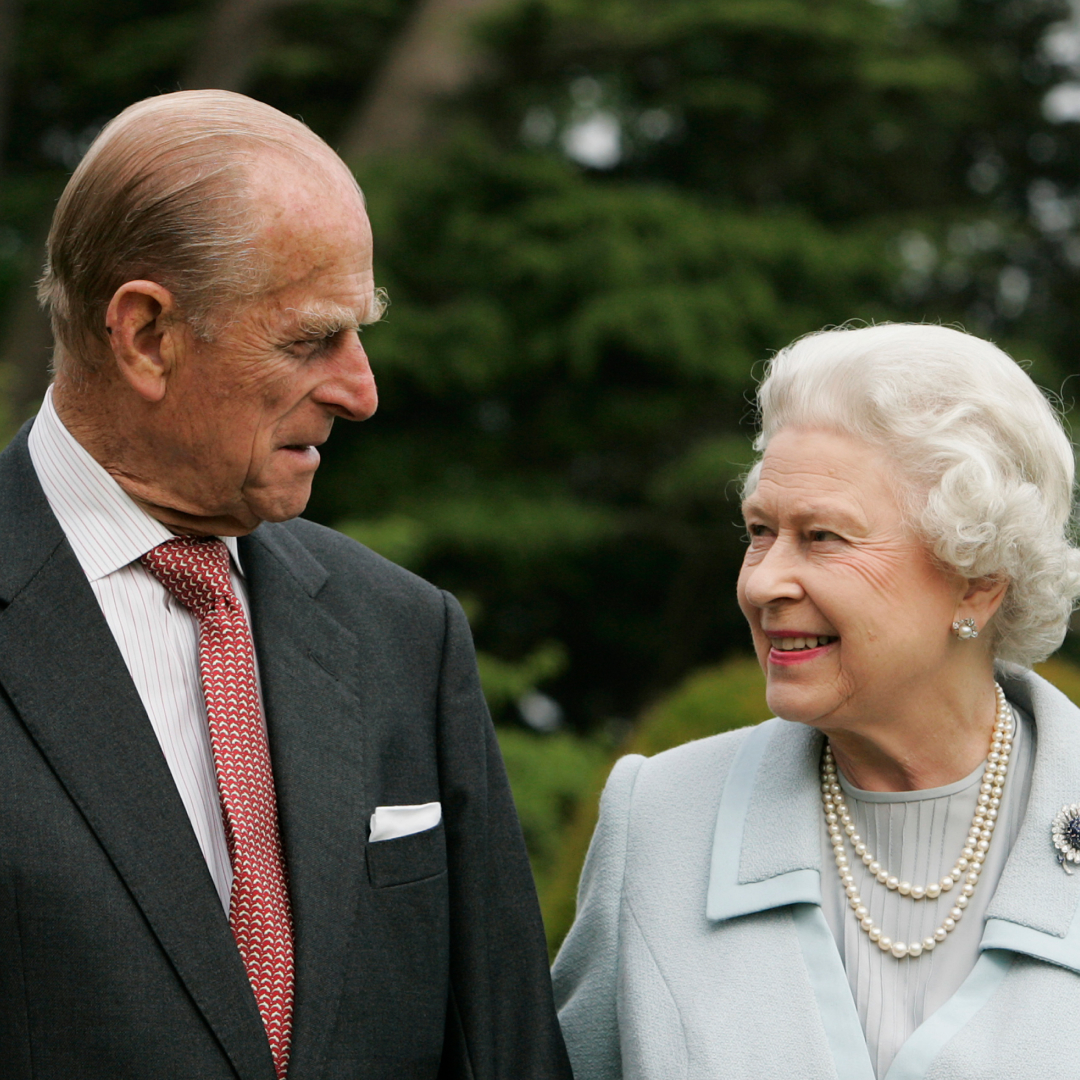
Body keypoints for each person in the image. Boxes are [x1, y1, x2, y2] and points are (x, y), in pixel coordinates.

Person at [0, 89, 571, 1080]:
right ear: (146, 335)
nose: (362, 390)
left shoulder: (406, 633)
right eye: (311, 340)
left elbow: (507, 1049)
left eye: (361, 333)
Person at [553, 322, 1080, 1079]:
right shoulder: (661, 822)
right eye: (760, 531)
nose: (764, 582)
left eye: (824, 537)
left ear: (978, 579)